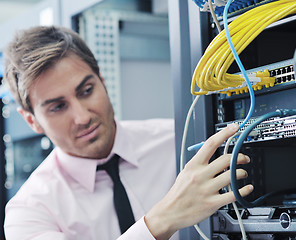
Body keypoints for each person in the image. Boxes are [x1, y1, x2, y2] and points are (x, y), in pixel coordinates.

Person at [2, 25, 253, 240]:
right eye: (58, 107)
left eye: (86, 90)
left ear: (102, 80)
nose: (82, 116)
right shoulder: (29, 211)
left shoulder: (180, 142)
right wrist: (160, 221)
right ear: (32, 121)